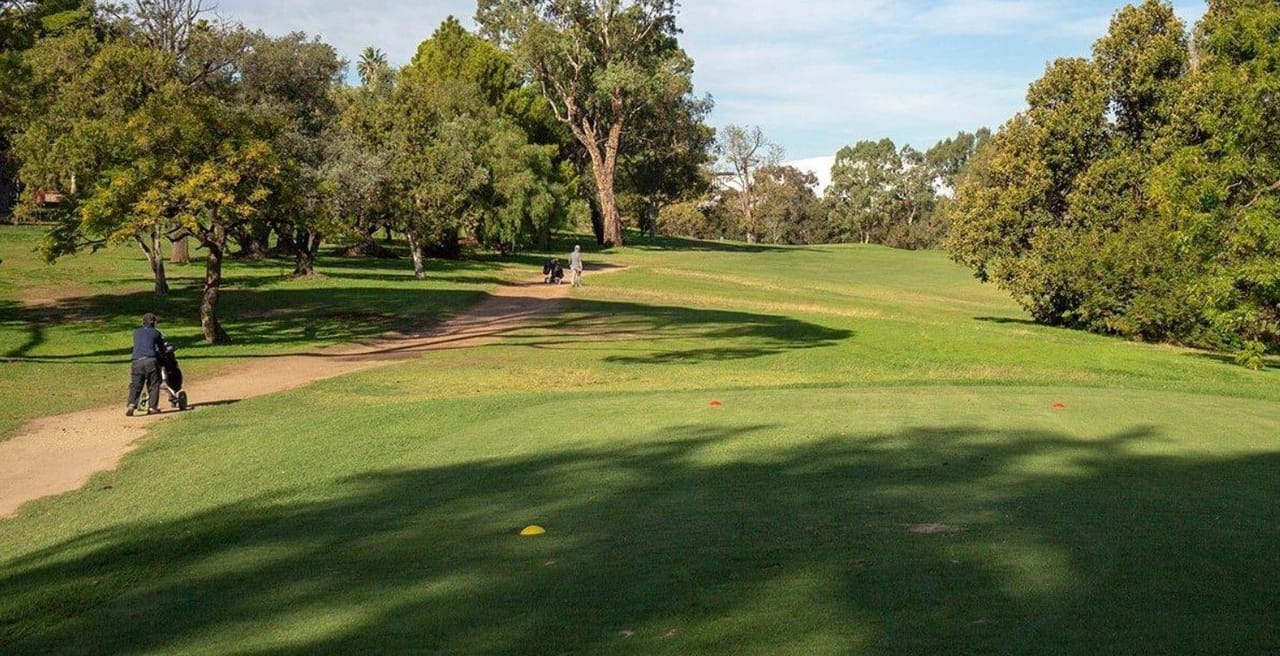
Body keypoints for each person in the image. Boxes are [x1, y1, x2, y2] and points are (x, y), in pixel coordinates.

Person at [126, 312, 167, 416]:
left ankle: (131, 404)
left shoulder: (136, 332)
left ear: (143, 322)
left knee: (136, 384)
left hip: (137, 361)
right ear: (154, 323)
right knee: (154, 384)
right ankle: (152, 407)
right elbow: (162, 349)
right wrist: (163, 356)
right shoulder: (156, 333)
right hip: (150, 361)